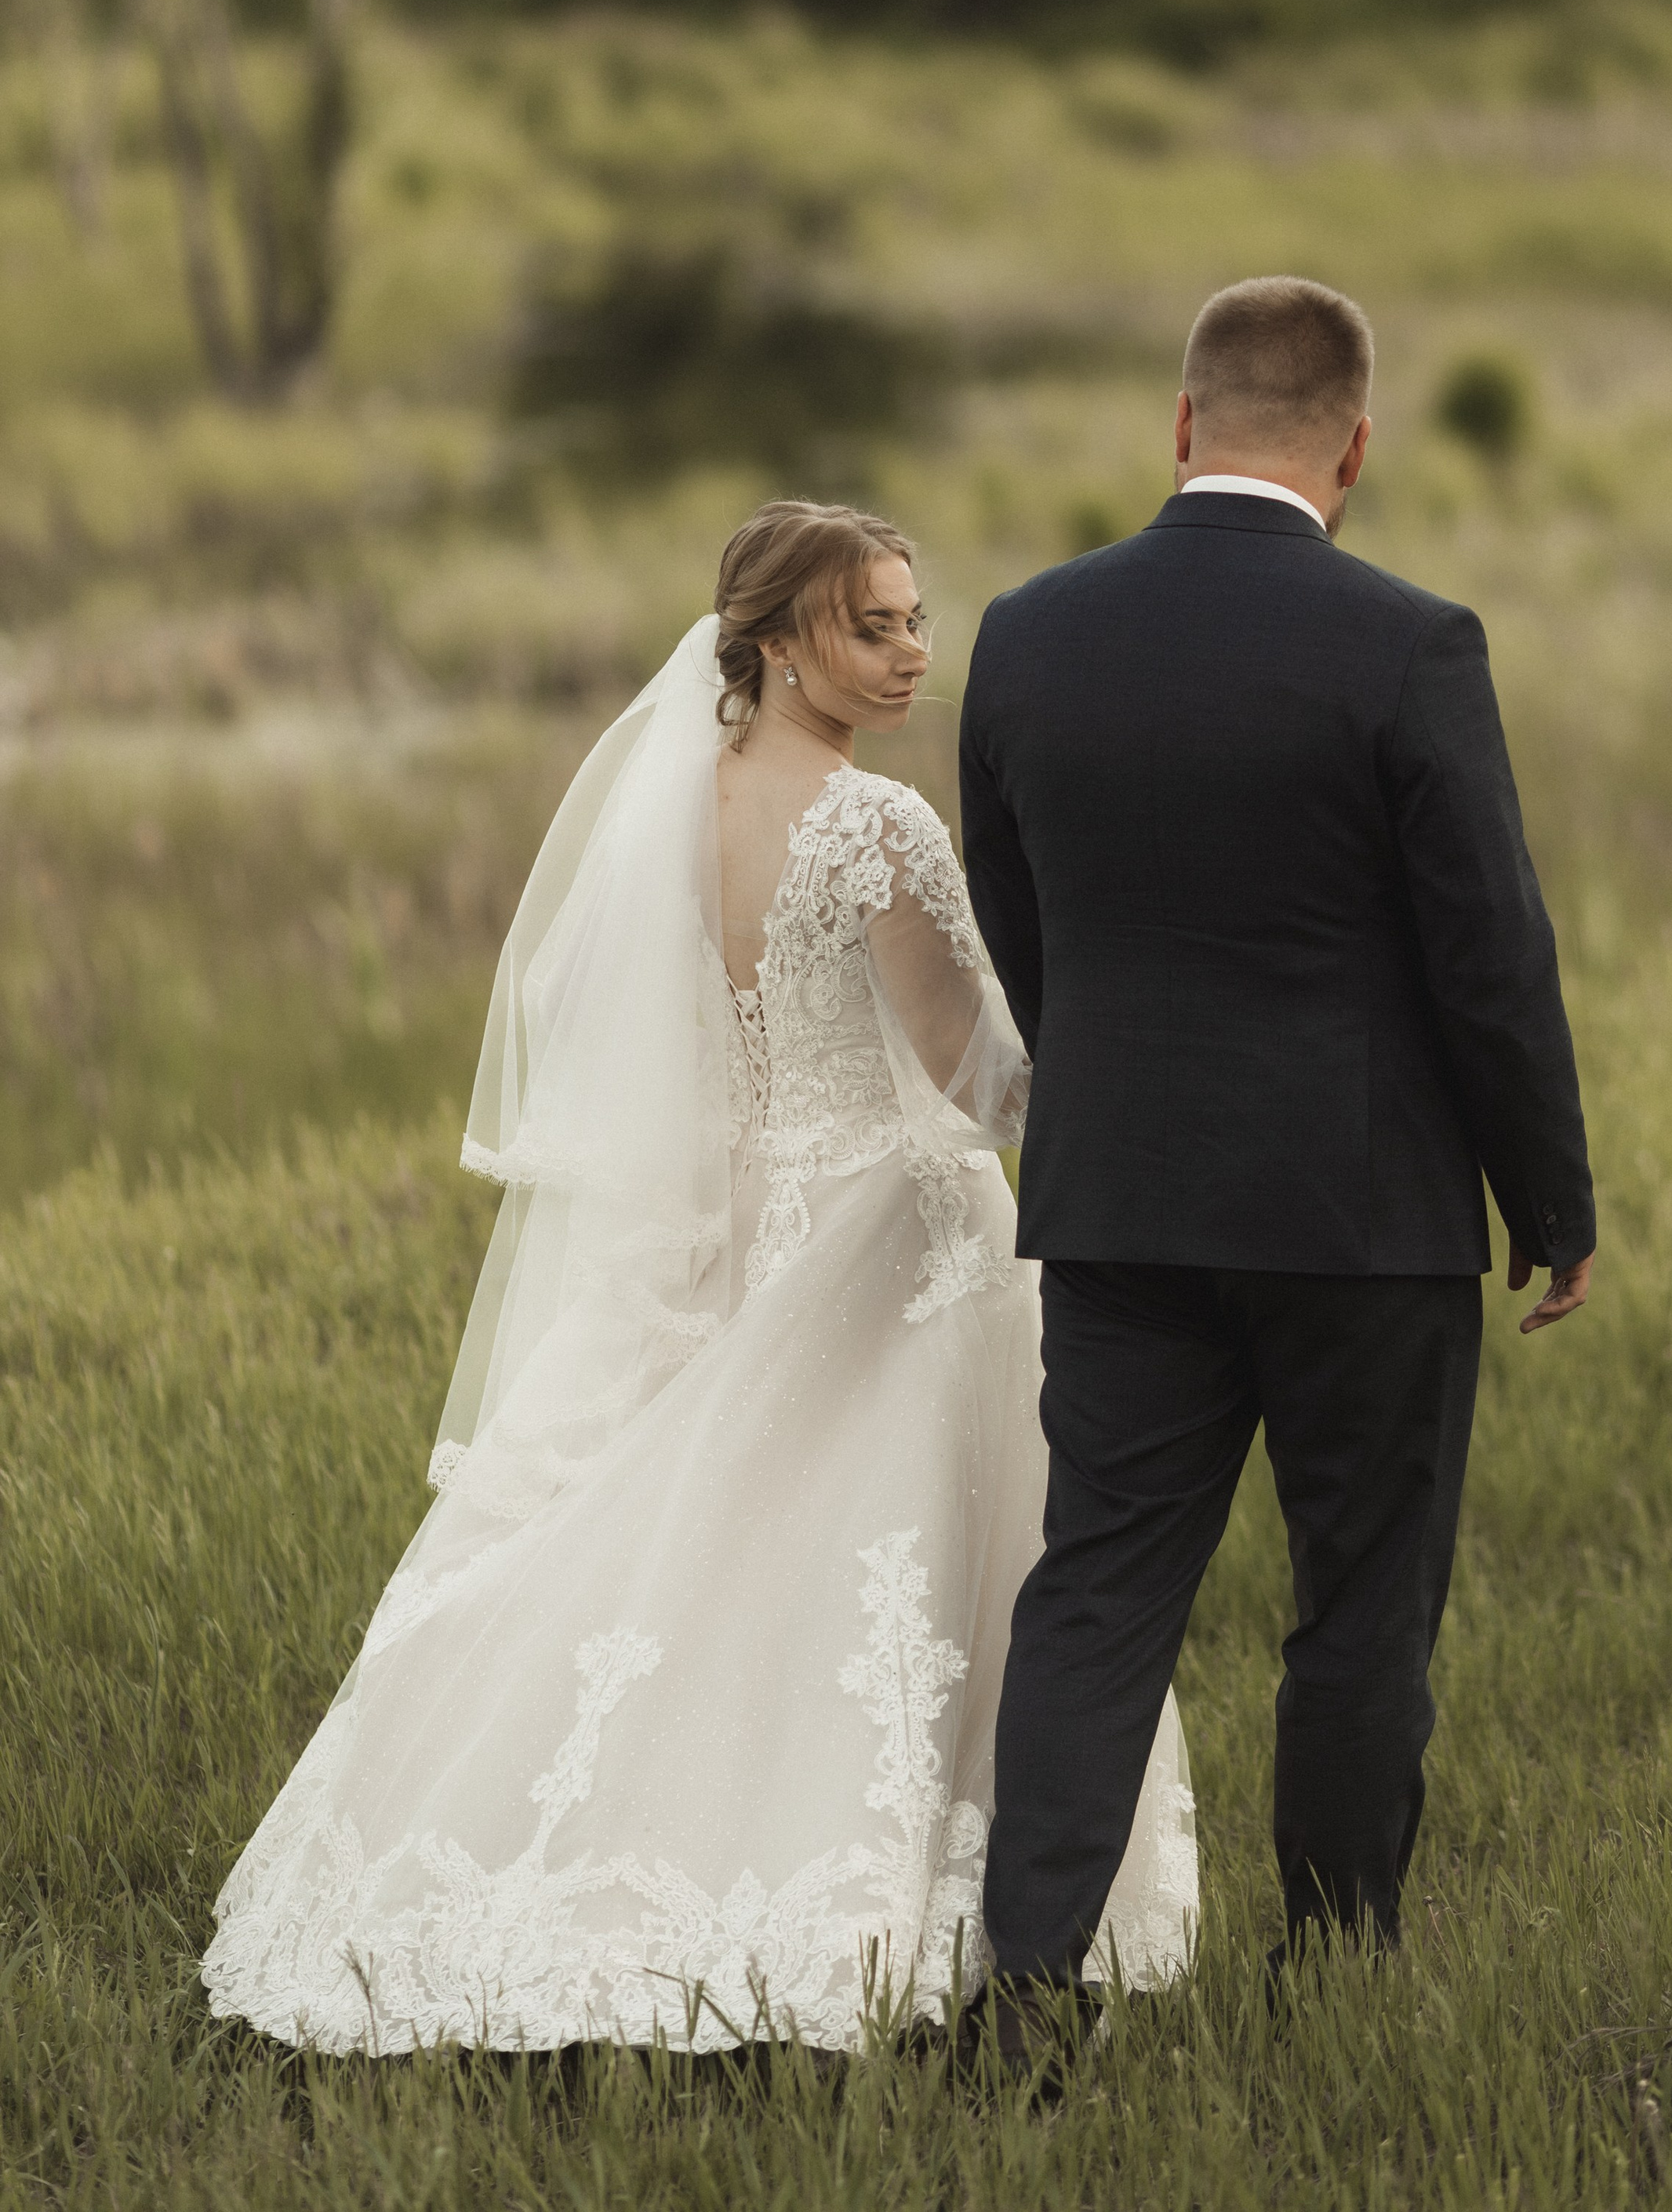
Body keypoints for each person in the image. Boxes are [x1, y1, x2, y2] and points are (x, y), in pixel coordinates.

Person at [202, 502, 1195, 2058]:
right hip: (891, 1232)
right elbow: (971, 1068)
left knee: (697, 1553)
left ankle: (601, 1855)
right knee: (891, 1564)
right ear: (782, 638)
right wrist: (1131, 1117)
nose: (913, 650)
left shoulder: (671, 804)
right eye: (873, 625)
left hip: (735, 1220)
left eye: (916, 619)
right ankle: (877, 1889)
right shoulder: (874, 826)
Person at [961, 275, 1597, 2065]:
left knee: (1095, 1590)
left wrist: (1109, 1091)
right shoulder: (1409, 644)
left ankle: (1025, 2000)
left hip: (1119, 1200)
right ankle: (1327, 1985)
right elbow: (1490, 958)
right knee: (1358, 1607)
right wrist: (1549, 1204)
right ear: (1355, 447)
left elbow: (1024, 925)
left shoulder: (1027, 633)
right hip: (1361, 1221)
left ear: (1181, 425)